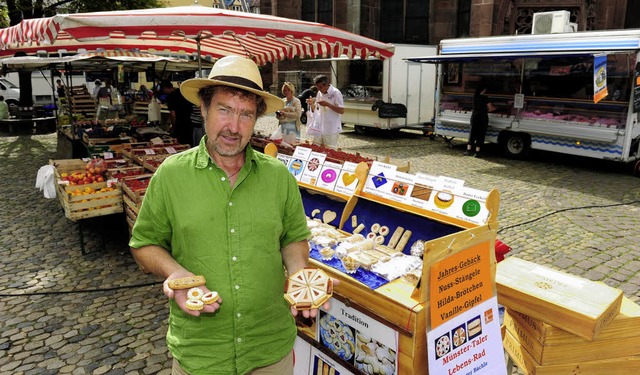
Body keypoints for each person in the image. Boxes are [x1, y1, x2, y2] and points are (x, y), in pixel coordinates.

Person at [129, 55, 332, 375]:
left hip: (270, 351)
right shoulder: (171, 176)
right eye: (224, 109)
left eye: (246, 114)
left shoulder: (278, 177)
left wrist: (298, 278)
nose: (234, 127)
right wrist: (176, 274)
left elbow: (293, 240)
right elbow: (144, 245)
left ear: (257, 119)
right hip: (201, 354)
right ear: (204, 109)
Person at [309, 74, 344, 149]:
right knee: (316, 149)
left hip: (331, 129)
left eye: (321, 87)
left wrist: (327, 104)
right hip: (320, 128)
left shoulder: (336, 93)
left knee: (330, 152)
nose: (319, 89)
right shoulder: (319, 93)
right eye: (317, 87)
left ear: (327, 85)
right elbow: (316, 109)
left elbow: (341, 110)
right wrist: (311, 104)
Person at [464, 85, 494, 158]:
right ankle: (477, 152)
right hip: (482, 117)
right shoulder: (485, 98)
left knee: (472, 132)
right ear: (483, 90)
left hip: (474, 116)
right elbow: (490, 109)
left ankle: (468, 150)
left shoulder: (474, 97)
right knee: (481, 133)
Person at [160, 79, 193, 146]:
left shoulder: (171, 97)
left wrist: (173, 126)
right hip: (190, 122)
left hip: (180, 123)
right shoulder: (182, 92)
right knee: (189, 144)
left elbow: (173, 114)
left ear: (165, 88)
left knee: (180, 144)